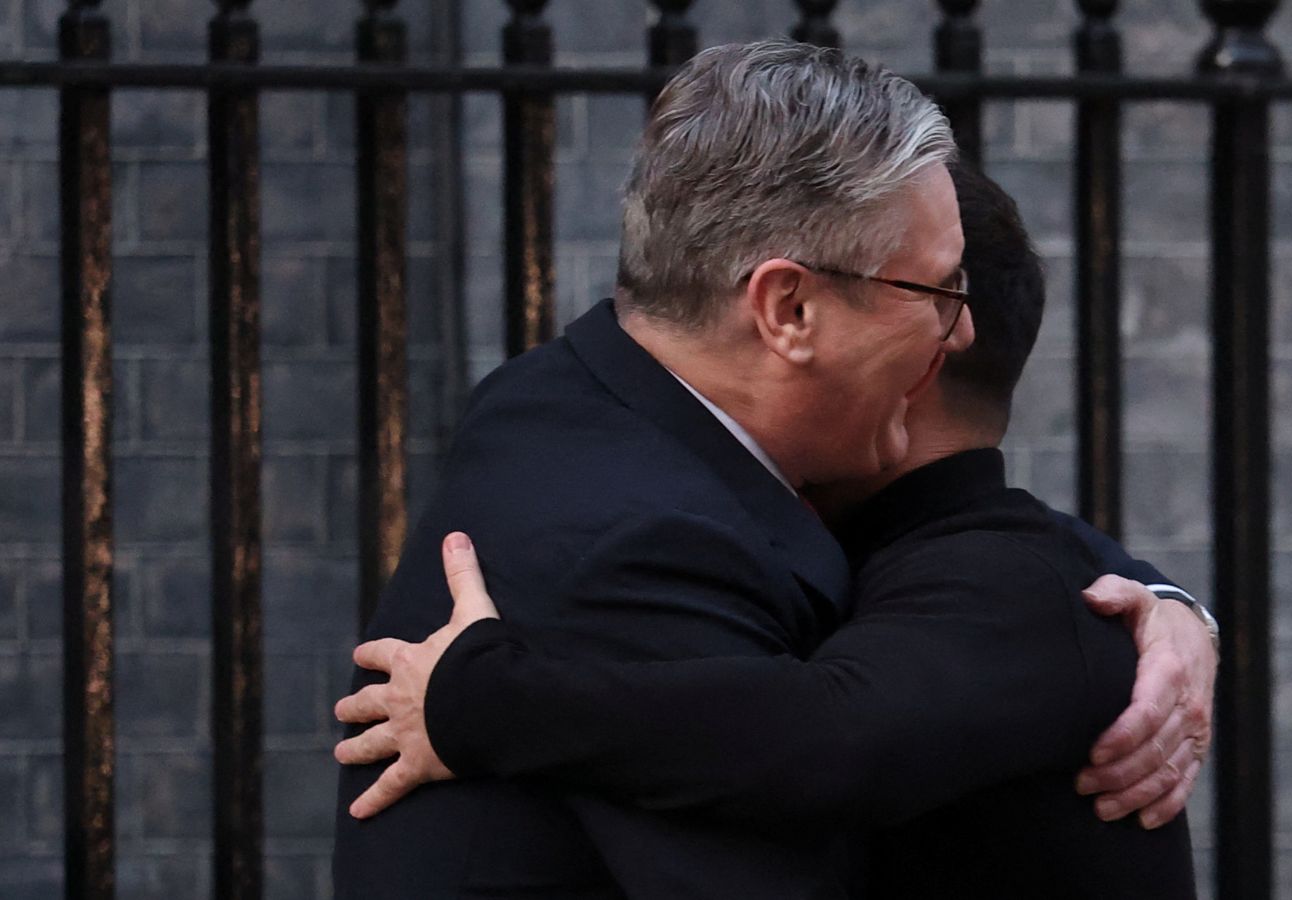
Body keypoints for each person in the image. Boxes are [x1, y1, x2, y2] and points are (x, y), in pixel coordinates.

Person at [333, 41, 1214, 899]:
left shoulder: (563, 398)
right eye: (942, 292)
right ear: (789, 307)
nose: (965, 331)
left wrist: (1167, 606)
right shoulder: (644, 537)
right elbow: (819, 744)